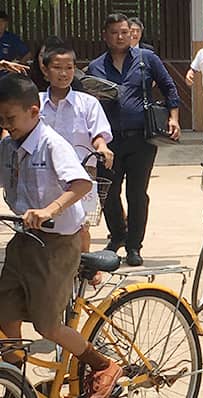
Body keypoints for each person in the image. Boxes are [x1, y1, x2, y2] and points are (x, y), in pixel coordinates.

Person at [0, 73, 122, 398]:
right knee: (4, 312)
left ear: (34, 111)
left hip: (56, 245)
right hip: (24, 241)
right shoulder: (7, 147)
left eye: (10, 118)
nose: (6, 124)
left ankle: (101, 365)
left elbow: (81, 184)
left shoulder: (52, 143)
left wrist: (49, 210)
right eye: (1, 119)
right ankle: (15, 383)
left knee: (46, 324)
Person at [87, 13, 181, 266]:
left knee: (137, 194)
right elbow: (86, 103)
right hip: (109, 142)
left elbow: (169, 87)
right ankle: (117, 235)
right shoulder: (95, 67)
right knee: (107, 192)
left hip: (141, 140)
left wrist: (174, 118)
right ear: (105, 36)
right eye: (114, 32)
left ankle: (133, 246)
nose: (120, 36)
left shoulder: (146, 59)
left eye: (124, 32)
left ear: (132, 33)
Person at [38, 46, 115, 253]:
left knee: (81, 225)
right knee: (45, 224)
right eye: (57, 67)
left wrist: (103, 147)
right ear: (45, 70)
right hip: (43, 171)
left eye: (69, 67)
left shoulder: (88, 103)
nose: (63, 73)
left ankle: (83, 270)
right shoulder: (35, 103)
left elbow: (98, 133)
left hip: (81, 172)